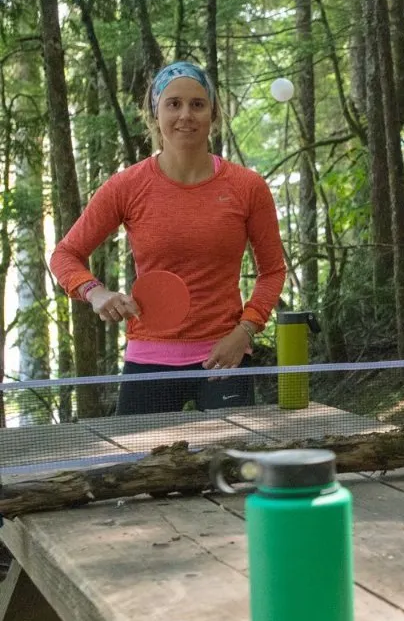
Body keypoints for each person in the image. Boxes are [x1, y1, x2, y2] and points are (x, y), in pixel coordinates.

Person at [50, 62, 286, 415]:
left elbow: (272, 271)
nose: (185, 115)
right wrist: (95, 292)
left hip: (224, 359)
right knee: (135, 468)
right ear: (155, 114)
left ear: (213, 113)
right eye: (173, 104)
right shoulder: (126, 186)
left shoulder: (247, 187)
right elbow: (65, 254)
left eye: (197, 104)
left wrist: (245, 332)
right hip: (148, 360)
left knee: (231, 468)